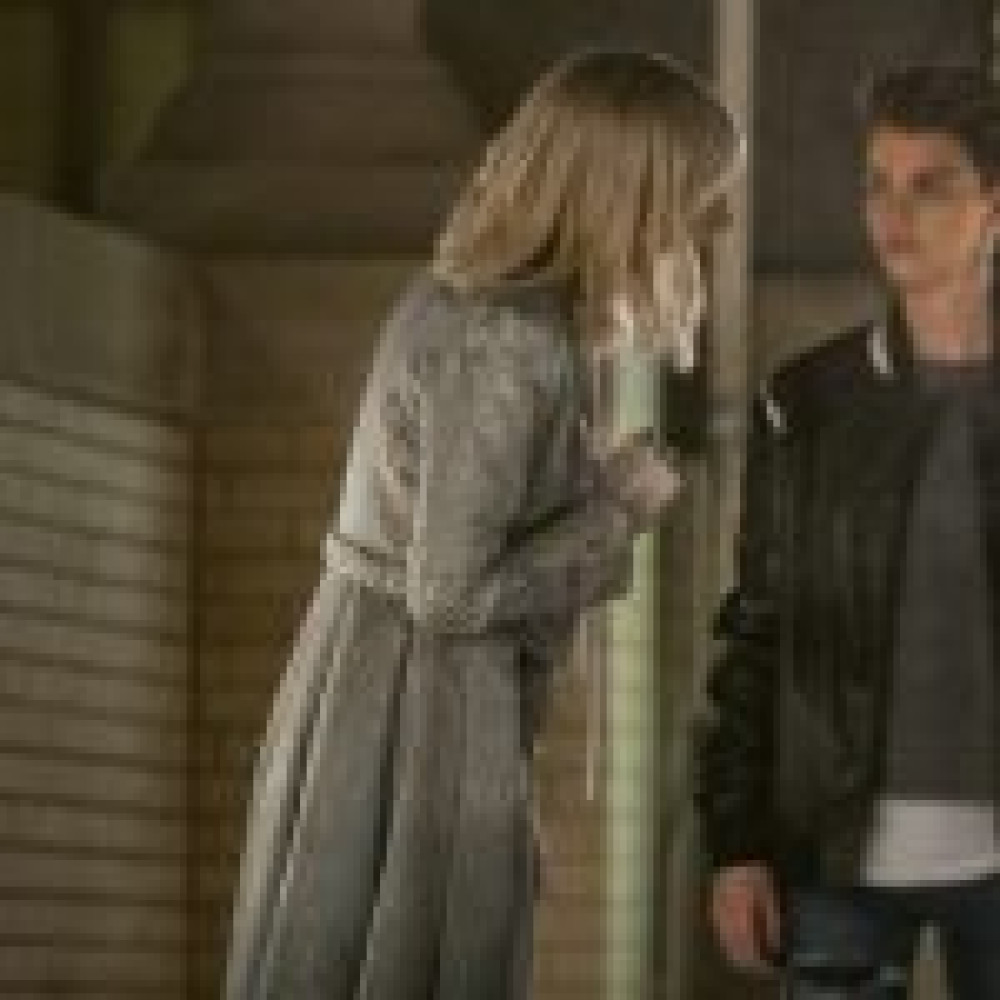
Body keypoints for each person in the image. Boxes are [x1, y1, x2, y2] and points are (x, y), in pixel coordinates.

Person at [223, 48, 743, 1000]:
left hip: (395, 707)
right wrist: (615, 510)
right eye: (698, 195)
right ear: (627, 194)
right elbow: (449, 593)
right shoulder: (508, 341)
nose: (716, 222)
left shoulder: (483, 316)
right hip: (416, 722)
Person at [696, 64, 1000, 999]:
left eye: (930, 185)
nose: (893, 214)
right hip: (835, 860)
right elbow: (757, 628)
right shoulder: (806, 404)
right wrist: (737, 845)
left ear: (993, 202)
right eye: (877, 184)